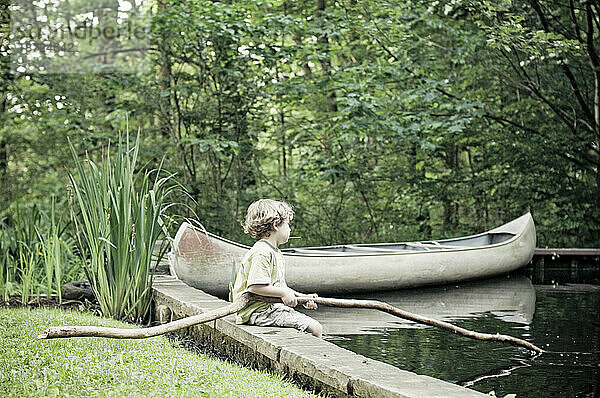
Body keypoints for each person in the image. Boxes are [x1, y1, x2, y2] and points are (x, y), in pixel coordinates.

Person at [231, 199, 323, 338]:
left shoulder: (275, 252)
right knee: (315, 328)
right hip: (258, 311)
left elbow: (280, 287)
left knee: (311, 326)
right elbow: (255, 287)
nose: (290, 229)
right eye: (288, 224)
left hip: (270, 308)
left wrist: (302, 298)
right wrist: (283, 294)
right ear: (275, 225)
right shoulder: (262, 252)